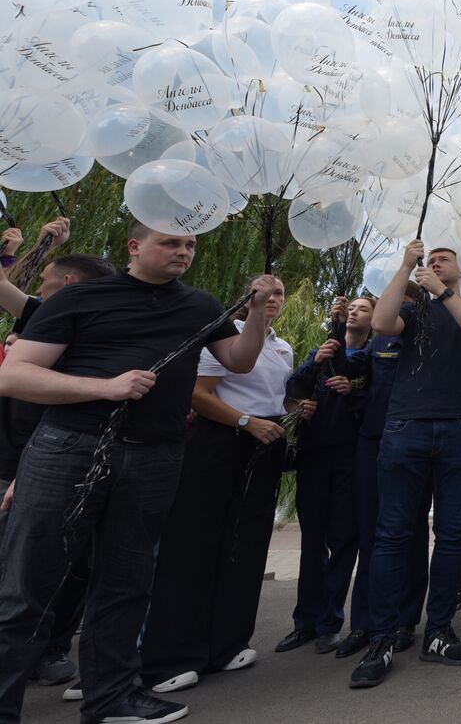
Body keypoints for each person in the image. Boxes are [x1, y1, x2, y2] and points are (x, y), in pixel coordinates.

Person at [0, 219, 273, 724]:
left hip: (155, 455)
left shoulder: (201, 305)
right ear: (134, 246)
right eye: (170, 242)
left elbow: (238, 361)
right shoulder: (77, 299)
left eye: (190, 244)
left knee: (126, 584)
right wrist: (104, 387)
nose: (183, 252)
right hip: (69, 447)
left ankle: (110, 699)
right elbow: (13, 375)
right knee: (27, 584)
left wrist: (255, 313)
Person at [139, 275, 296, 695]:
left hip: (266, 441)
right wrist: (245, 422)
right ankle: (171, 654)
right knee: (194, 541)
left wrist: (295, 409)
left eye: (280, 293)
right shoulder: (225, 334)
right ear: (247, 298)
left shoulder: (283, 346)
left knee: (245, 541)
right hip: (221, 439)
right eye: (265, 292)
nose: (273, 299)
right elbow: (198, 392)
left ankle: (226, 643)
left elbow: (275, 396)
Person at [351, 242, 461, 688]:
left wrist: (442, 290)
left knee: (451, 535)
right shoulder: (412, 312)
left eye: (443, 259)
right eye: (429, 260)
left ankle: (439, 632)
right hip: (406, 428)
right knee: (392, 535)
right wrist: (404, 267)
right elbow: (379, 323)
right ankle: (383, 637)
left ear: (458, 270)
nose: (434, 264)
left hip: (460, 430)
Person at [0, 220, 102, 691]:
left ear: (68, 284)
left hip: (58, 458)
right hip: (11, 457)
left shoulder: (102, 333)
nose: (35, 287)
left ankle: (53, 646)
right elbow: (5, 289)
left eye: (42, 278)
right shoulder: (41, 316)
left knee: (68, 561)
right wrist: (38, 247)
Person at [276, 297, 375, 654]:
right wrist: (305, 391)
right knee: (312, 540)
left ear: (375, 318)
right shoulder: (323, 349)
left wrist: (355, 395)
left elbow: (377, 403)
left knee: (343, 540)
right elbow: (292, 391)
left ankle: (329, 621)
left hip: (350, 457)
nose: (354, 311)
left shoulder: (374, 355)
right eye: (352, 307)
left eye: (364, 308)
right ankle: (305, 622)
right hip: (314, 454)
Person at [338, 287, 430, 660]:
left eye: (410, 302)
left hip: (414, 444)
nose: (403, 307)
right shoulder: (378, 342)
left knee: (411, 533)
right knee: (370, 534)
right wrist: (336, 327)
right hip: (373, 444)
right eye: (399, 300)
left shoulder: (428, 344)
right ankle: (366, 623)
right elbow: (352, 375)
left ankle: (405, 620)